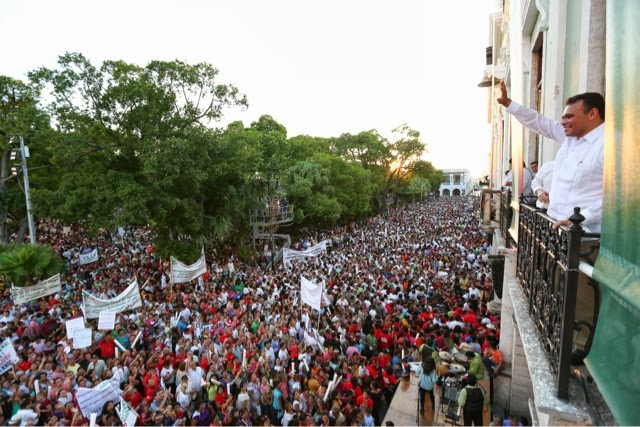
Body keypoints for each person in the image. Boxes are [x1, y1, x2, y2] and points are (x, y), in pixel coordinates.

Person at [497, 81, 604, 232]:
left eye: (569, 117)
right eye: (563, 117)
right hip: (557, 230)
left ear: (592, 114)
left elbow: (620, 197)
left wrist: (580, 218)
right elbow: (540, 122)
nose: (563, 122)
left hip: (586, 236)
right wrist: (509, 104)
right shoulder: (570, 138)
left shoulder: (610, 146)